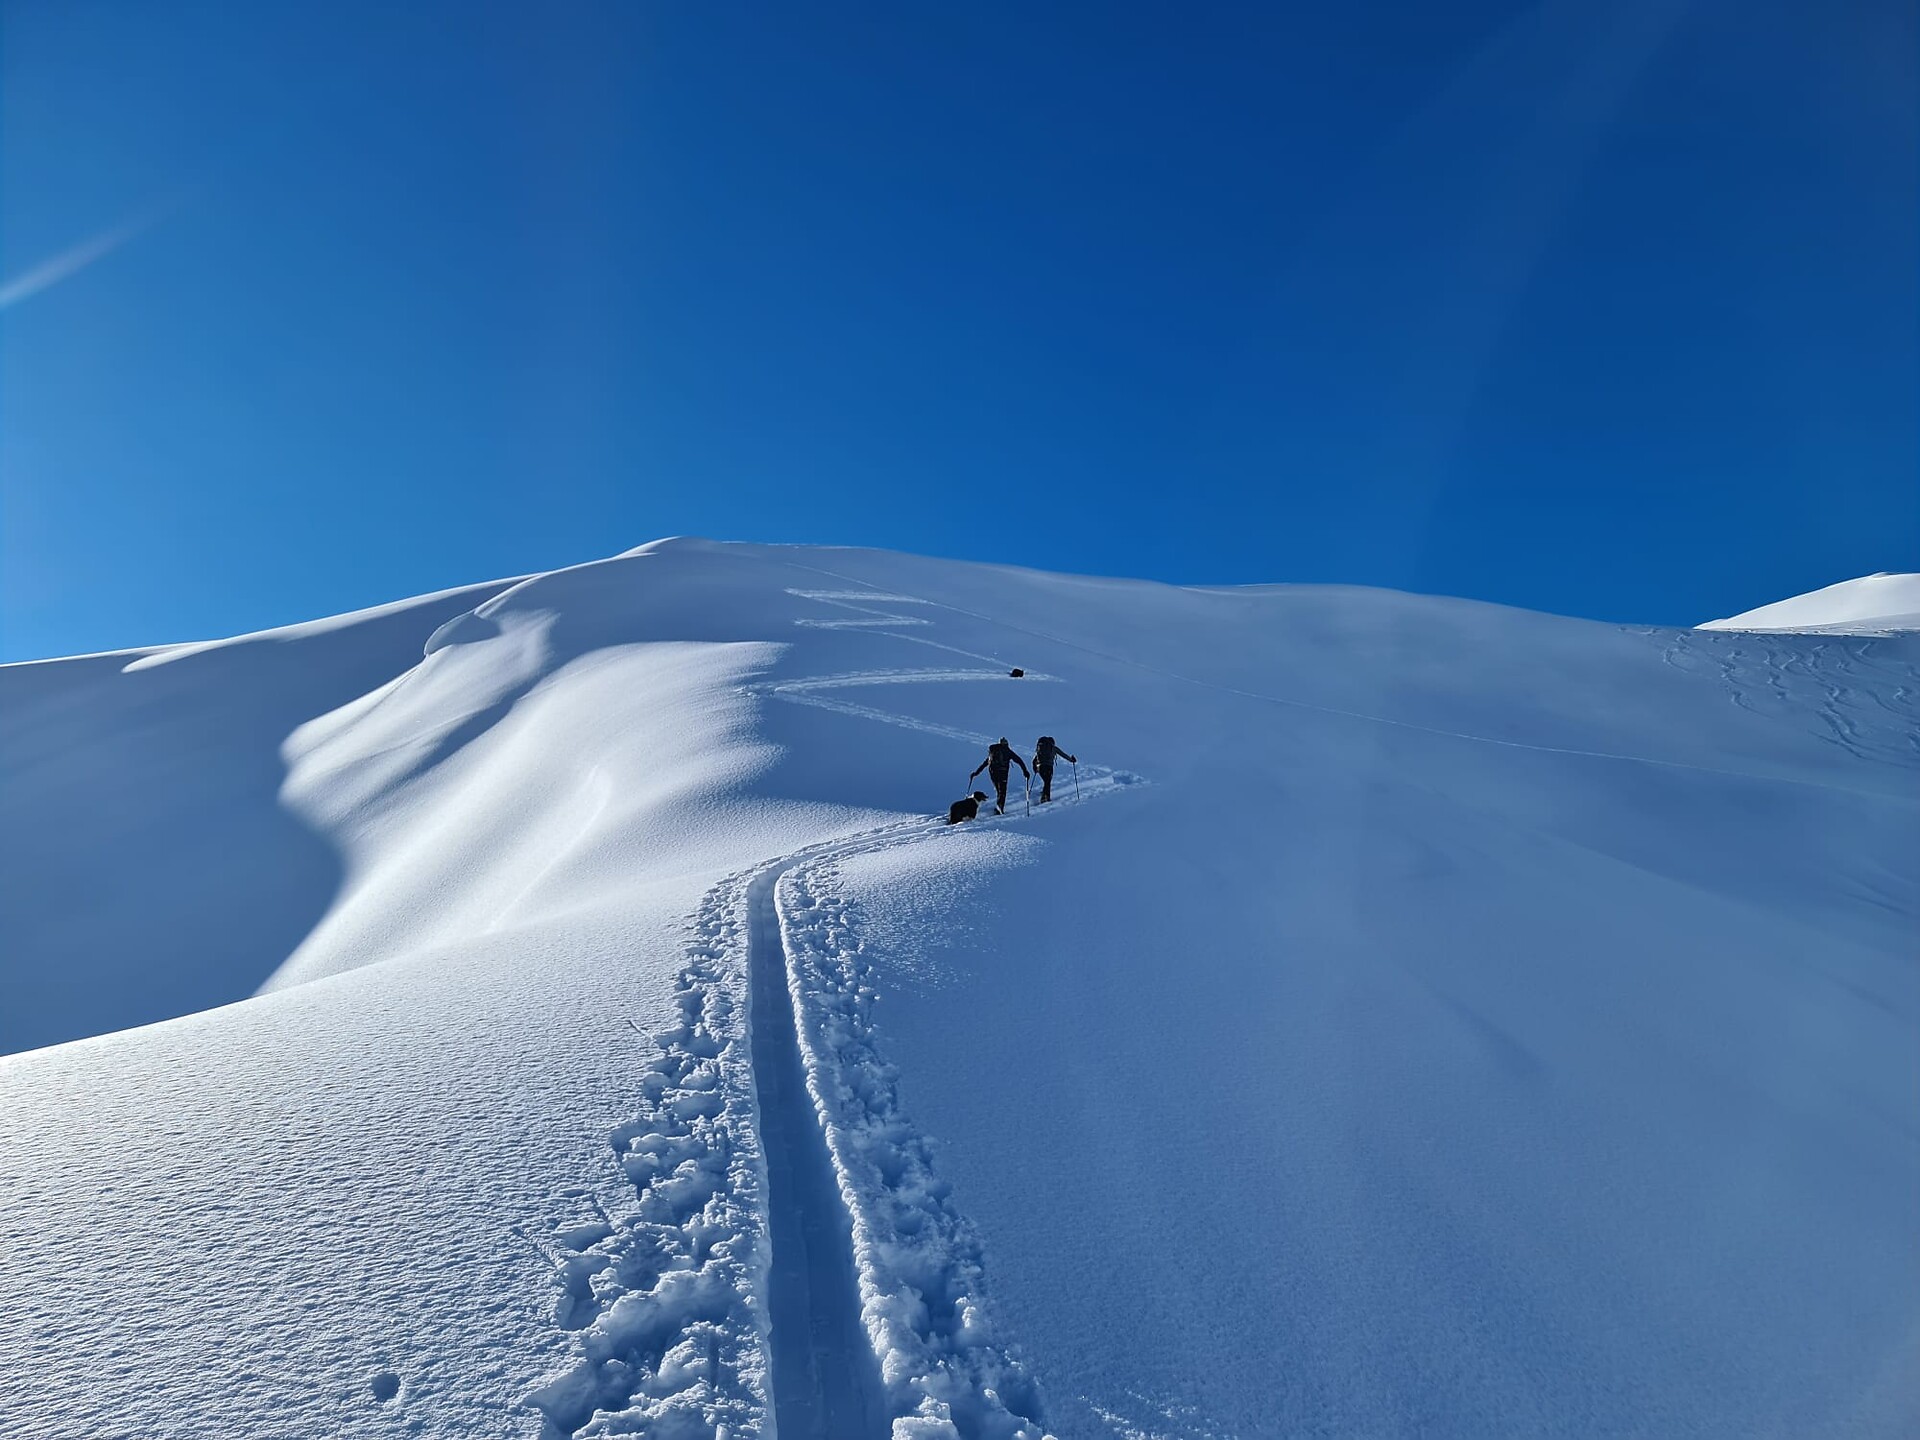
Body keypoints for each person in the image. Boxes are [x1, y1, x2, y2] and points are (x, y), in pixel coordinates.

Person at [969, 737, 1030, 815]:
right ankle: (1000, 807)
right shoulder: (1007, 751)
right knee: (1002, 791)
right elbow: (1019, 761)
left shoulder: (993, 751)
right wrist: (1025, 771)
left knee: (999, 790)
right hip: (1003, 773)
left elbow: (985, 763)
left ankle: (999, 806)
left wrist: (976, 773)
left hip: (993, 773)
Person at [1031, 735, 1077, 802]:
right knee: (1048, 782)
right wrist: (1071, 760)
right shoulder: (1054, 748)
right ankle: (1045, 798)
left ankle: (1044, 794)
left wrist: (1035, 768)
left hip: (1040, 767)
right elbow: (1063, 754)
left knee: (1046, 781)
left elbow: (1034, 760)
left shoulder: (1040, 748)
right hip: (1049, 767)